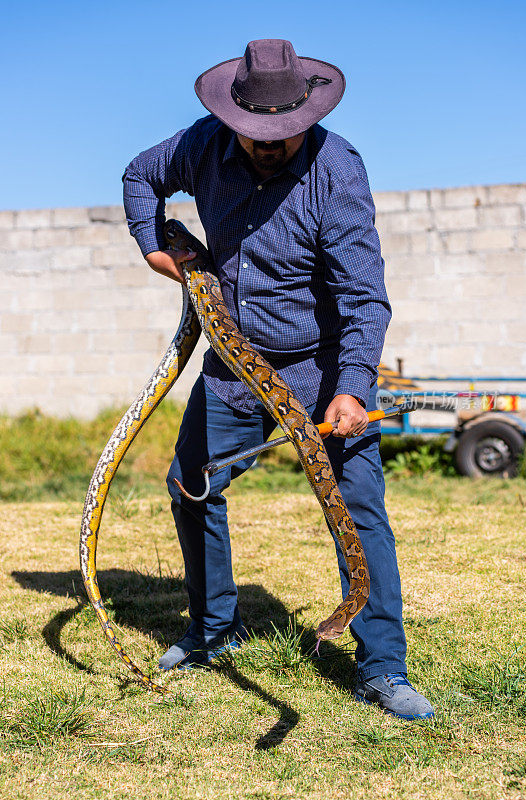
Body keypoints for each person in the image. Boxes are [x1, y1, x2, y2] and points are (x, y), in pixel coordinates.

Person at [122, 39, 434, 720]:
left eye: (283, 133)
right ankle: (213, 631)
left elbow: (363, 296)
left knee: (359, 511)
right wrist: (155, 246)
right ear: (232, 116)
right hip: (235, 369)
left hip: (322, 370)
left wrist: (352, 384)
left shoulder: (337, 170)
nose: (269, 144)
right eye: (256, 133)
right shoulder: (200, 145)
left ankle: (382, 668)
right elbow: (139, 176)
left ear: (306, 115)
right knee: (192, 486)